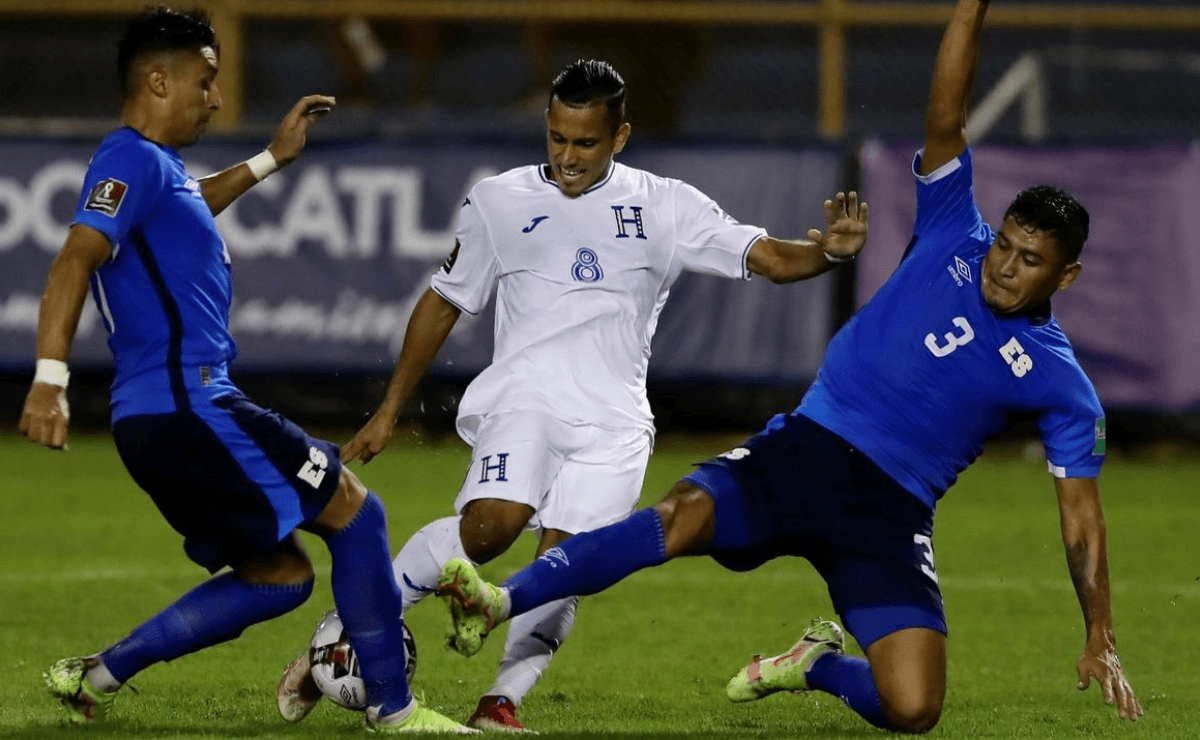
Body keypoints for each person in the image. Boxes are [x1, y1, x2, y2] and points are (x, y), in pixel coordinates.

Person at [433, 1, 1144, 732]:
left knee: (915, 707)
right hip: (805, 450)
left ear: (1067, 277)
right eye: (1006, 246)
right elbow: (947, 113)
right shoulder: (953, 229)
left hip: (890, 512)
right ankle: (502, 598)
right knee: (678, 518)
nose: (1005, 267)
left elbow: (1081, 520)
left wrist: (1099, 633)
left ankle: (815, 664)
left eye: (1030, 262)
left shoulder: (1062, 383)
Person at [276, 59, 868, 732]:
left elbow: (768, 258)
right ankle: (343, 631)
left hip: (613, 422)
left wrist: (831, 255)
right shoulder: (498, 200)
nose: (566, 156)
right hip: (525, 399)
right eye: (556, 137)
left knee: (565, 567)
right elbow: (444, 302)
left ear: (619, 137)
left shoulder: (666, 204)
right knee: (489, 530)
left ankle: (501, 704)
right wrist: (389, 409)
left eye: (584, 142)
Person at [18, 7, 471, 734]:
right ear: (158, 80)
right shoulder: (128, 157)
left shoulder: (159, 172)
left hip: (157, 422)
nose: (216, 98)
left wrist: (269, 159)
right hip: (192, 408)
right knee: (359, 514)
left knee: (280, 578)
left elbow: (194, 201)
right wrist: (49, 378)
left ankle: (95, 675)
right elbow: (75, 256)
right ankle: (395, 710)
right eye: (205, 81)